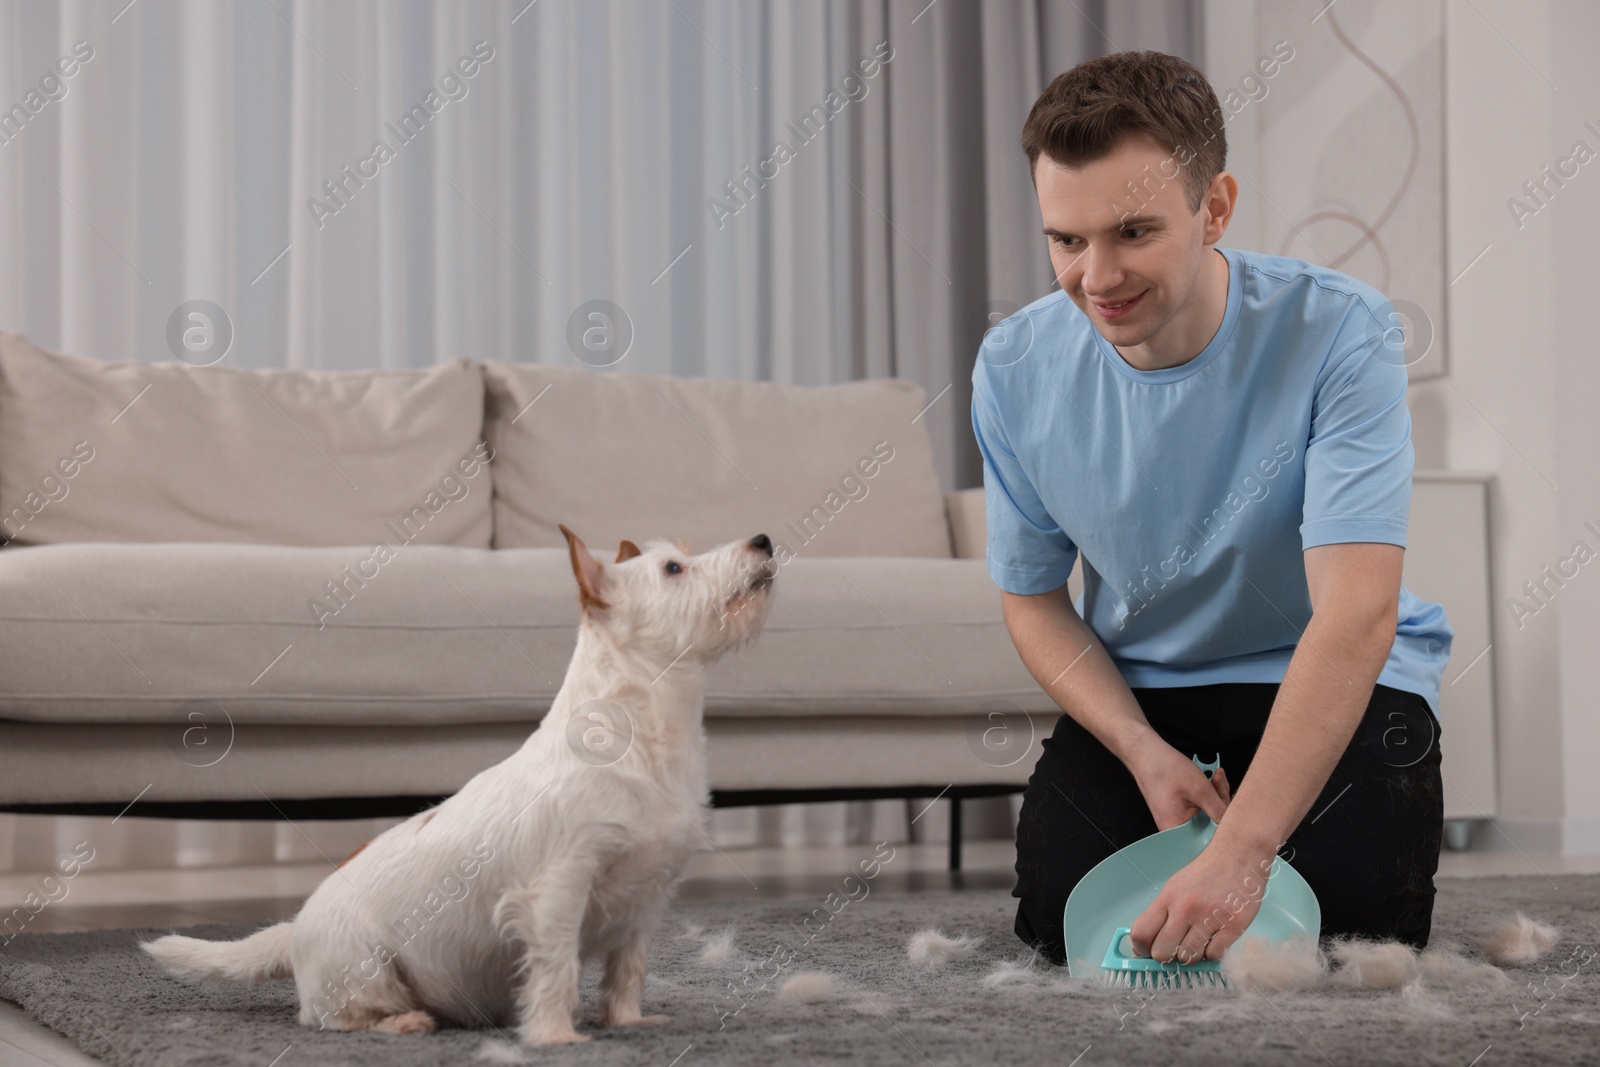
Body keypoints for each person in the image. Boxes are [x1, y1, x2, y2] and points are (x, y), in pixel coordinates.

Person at [971, 50, 1454, 970]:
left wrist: (1240, 852)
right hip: (1150, 695)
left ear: (1216, 207)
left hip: (1331, 679)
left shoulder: (1342, 332)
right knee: (1057, 922)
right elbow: (1033, 597)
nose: (1097, 277)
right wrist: (1141, 749)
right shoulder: (1013, 369)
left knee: (1359, 935)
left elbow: (1356, 612)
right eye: (1067, 240)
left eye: (1133, 232)